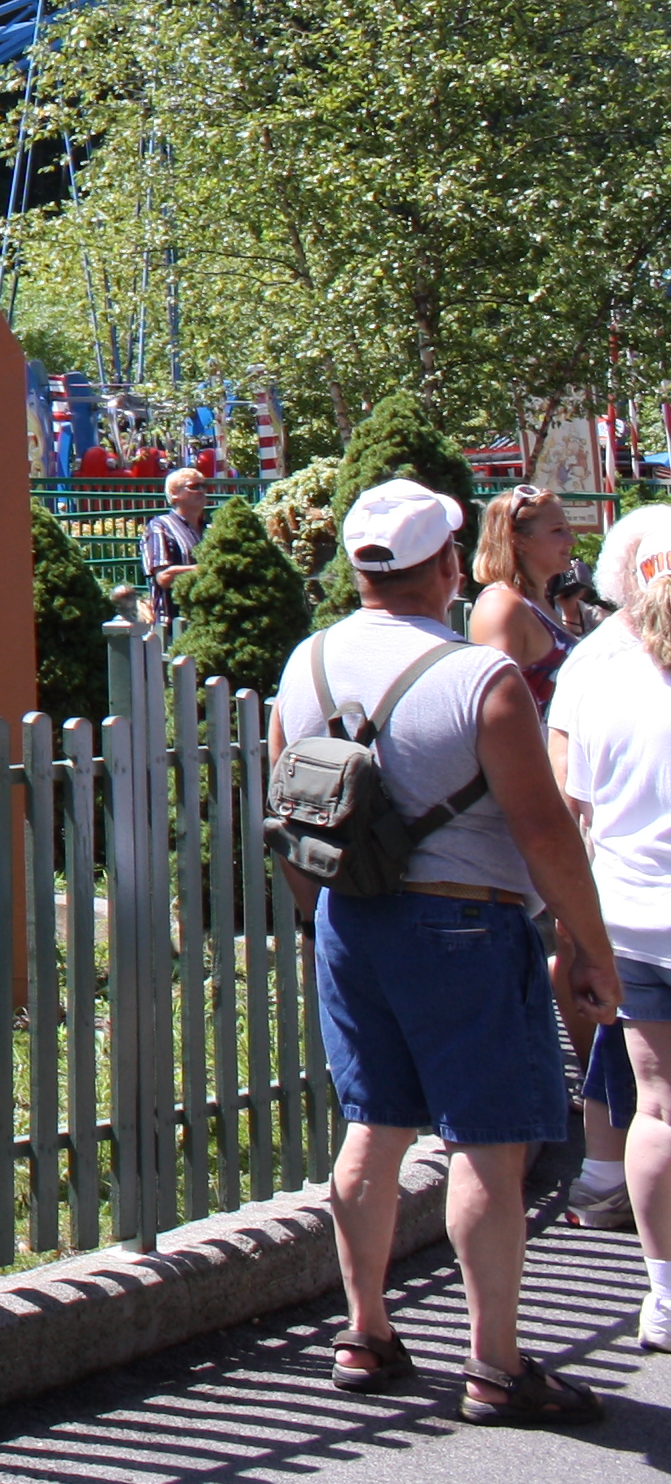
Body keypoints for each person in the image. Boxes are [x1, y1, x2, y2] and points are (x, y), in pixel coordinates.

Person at [277, 478, 618, 1421]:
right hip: (467, 925)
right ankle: (496, 1365)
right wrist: (589, 947)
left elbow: (289, 813)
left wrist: (321, 921)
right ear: (448, 566)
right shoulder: (480, 677)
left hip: (352, 922)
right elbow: (545, 832)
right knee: (489, 1146)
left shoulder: (306, 663)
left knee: (373, 1126)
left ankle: (365, 1333)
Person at [549, 556, 671, 1327]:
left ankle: (664, 1294)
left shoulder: (605, 685)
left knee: (656, 1108)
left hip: (632, 917)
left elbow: (579, 808)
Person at [471, 484, 586, 710]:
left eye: (568, 529)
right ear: (519, 540)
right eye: (557, 530)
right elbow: (495, 705)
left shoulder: (537, 602)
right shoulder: (501, 606)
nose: (571, 540)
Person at [141, 466, 212, 627]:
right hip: (173, 625)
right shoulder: (160, 526)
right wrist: (207, 570)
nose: (202, 491)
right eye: (194, 487)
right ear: (174, 493)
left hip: (208, 621)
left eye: (204, 486)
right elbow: (164, 577)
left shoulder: (210, 529)